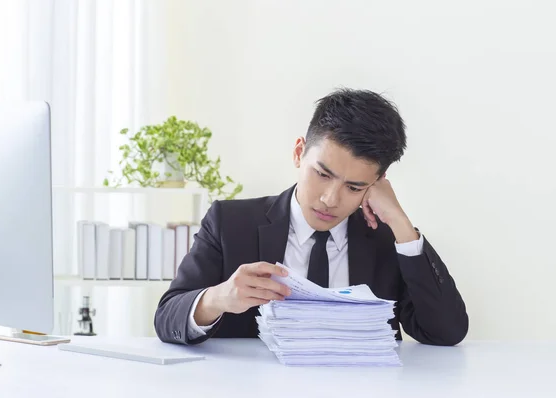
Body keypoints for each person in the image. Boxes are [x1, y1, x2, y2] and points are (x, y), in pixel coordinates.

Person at [154, 88, 468, 346]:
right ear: (298, 153)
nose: (330, 199)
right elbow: (167, 317)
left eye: (354, 187)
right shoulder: (231, 223)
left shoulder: (387, 238)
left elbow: (446, 333)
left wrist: (401, 223)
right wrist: (218, 298)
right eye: (322, 173)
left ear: (377, 183)